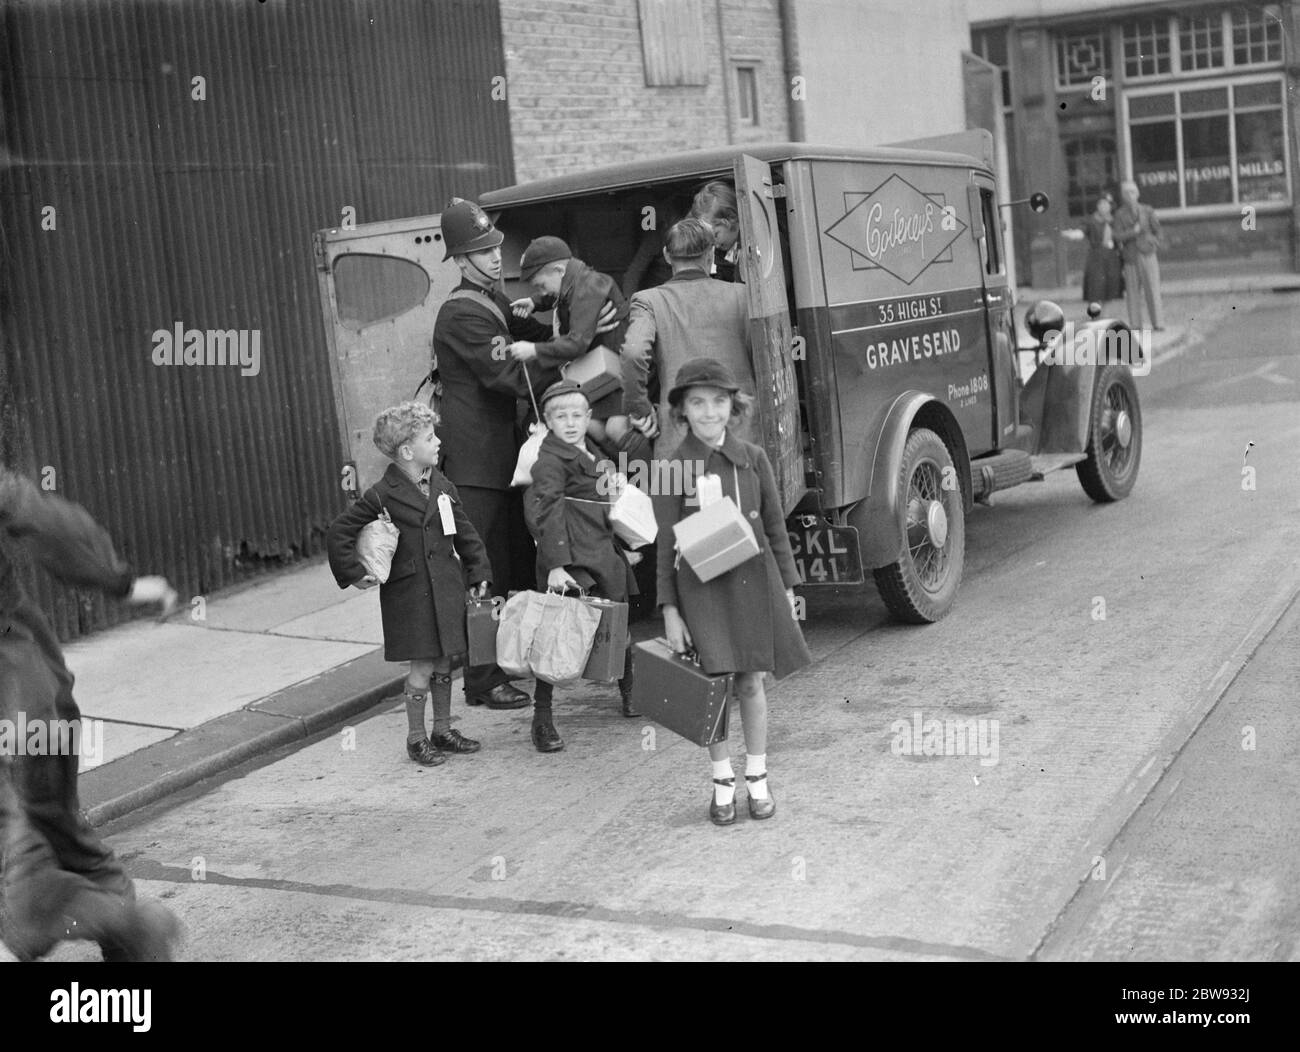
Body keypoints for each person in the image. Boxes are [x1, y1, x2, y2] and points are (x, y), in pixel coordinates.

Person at [0, 466, 181, 961]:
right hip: (34, 689)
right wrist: (120, 583)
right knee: (61, 831)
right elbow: (43, 517)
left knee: (18, 867)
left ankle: (107, 923)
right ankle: (130, 942)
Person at [433, 197, 586, 711]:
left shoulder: (495, 303)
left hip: (505, 459)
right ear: (460, 261)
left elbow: (540, 340)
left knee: (514, 566)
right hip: (477, 465)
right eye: (482, 251)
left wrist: (579, 330)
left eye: (496, 246)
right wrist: (565, 365)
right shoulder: (461, 312)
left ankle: (511, 660)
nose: (497, 258)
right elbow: (510, 374)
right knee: (484, 574)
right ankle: (480, 680)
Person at [652, 359, 811, 827]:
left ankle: (758, 777)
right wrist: (669, 609)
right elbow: (666, 541)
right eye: (697, 402)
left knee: (751, 681)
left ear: (732, 406)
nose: (709, 412)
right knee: (715, 685)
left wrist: (786, 587)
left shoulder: (754, 457)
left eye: (719, 401)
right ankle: (722, 779)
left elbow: (777, 528)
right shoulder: (671, 467)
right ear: (681, 410)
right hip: (701, 593)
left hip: (751, 585)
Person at [327, 402, 493, 766]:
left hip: (446, 589)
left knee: (445, 661)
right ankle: (416, 739)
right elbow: (341, 530)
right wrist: (354, 574)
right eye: (429, 437)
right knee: (421, 666)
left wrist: (479, 572)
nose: (437, 442)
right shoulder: (382, 493)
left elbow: (464, 532)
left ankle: (443, 730)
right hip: (411, 596)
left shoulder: (442, 483)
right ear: (406, 451)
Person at [523, 380, 640, 753]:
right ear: (547, 421)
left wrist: (623, 537)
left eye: (577, 415)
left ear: (589, 417)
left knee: (619, 627)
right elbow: (546, 512)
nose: (570, 422)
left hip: (604, 554)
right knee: (557, 638)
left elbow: (603, 502)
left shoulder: (590, 451)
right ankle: (542, 720)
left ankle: (630, 693)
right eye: (561, 416)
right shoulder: (549, 461)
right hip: (572, 561)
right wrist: (557, 564)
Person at [620, 218, 759, 459]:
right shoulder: (742, 295)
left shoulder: (648, 300)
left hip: (681, 436)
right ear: (711, 254)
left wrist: (639, 407)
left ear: (666, 255)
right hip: (740, 432)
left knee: (681, 495)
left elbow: (633, 353)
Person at [506, 236, 632, 443]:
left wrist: (534, 350)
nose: (542, 291)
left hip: (618, 369)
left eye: (541, 286)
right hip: (604, 367)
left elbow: (576, 343)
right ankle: (618, 470)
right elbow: (560, 294)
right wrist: (535, 302)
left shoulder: (588, 287)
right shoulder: (576, 278)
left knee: (614, 430)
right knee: (592, 427)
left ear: (558, 270)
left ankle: (645, 473)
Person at [1114, 180, 1164, 330]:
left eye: (1132, 192)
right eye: (1126, 193)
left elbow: (1158, 230)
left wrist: (1154, 242)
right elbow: (1117, 236)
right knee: (1133, 292)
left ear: (1138, 193)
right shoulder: (1119, 214)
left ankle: (1158, 323)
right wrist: (1132, 232)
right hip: (1131, 255)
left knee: (1153, 289)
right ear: (1123, 196)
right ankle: (1135, 324)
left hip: (1148, 254)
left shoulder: (1147, 210)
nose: (1130, 196)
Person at [690, 180, 743, 283]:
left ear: (731, 220)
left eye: (716, 234)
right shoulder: (719, 254)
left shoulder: (756, 245)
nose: (712, 242)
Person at [1082, 195, 1123, 308]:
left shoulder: (1114, 221)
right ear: (1097, 206)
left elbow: (1120, 237)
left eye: (1106, 204)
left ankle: (1106, 315)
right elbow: (1084, 232)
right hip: (1096, 257)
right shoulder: (1091, 221)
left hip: (1111, 257)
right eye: (1101, 204)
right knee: (1095, 287)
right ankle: (1094, 315)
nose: (1104, 207)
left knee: (1110, 287)